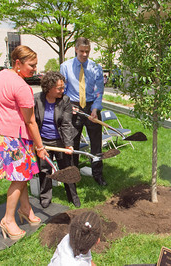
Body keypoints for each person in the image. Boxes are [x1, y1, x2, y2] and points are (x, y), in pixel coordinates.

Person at [0, 45, 48, 240]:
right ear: (18, 63)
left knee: (24, 173)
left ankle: (26, 209)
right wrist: (40, 147)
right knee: (20, 177)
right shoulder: (22, 87)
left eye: (36, 65)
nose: (34, 70)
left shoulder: (1, 74)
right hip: (11, 137)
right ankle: (8, 220)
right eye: (31, 65)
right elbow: (31, 121)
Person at [60, 37, 106, 186]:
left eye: (87, 51)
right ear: (75, 49)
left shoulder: (96, 68)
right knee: (72, 143)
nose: (85, 54)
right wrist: (67, 106)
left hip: (92, 106)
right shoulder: (65, 67)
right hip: (73, 107)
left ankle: (97, 174)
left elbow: (99, 92)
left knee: (96, 144)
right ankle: (73, 175)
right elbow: (63, 92)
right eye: (82, 51)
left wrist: (95, 109)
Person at [34, 71, 81, 208]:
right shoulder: (36, 100)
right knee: (44, 171)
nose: (62, 90)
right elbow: (33, 123)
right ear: (49, 88)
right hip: (43, 142)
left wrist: (68, 145)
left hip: (60, 140)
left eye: (63, 87)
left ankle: (73, 196)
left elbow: (66, 124)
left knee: (67, 169)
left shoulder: (65, 100)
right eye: (59, 88)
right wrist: (37, 144)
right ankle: (45, 197)